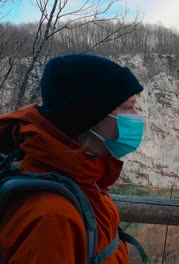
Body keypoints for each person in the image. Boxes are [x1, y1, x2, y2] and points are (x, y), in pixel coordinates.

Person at [0, 53, 144, 263]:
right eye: (128, 107)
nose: (137, 114)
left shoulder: (86, 176)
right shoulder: (51, 219)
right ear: (91, 117)